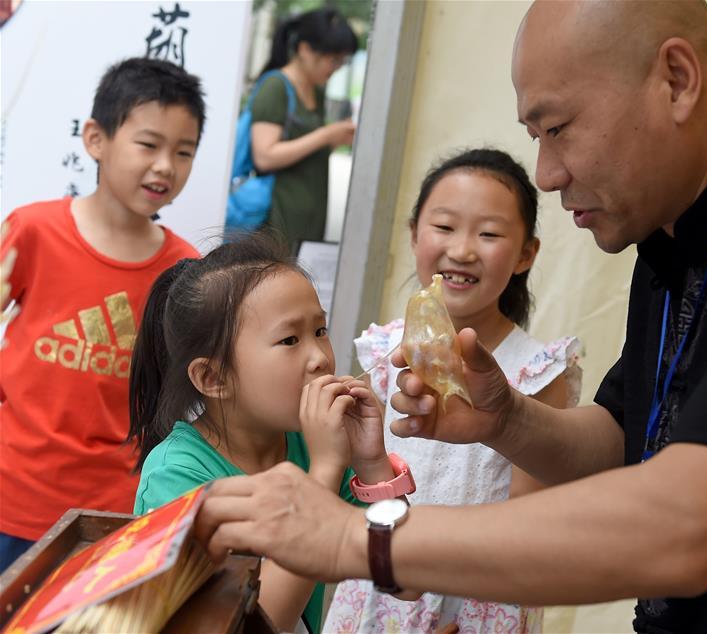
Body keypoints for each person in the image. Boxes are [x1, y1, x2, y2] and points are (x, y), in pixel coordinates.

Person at [194, 2, 707, 633]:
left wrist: (355, 538)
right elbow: (623, 439)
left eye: (557, 128)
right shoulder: (670, 237)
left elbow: (686, 524)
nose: (548, 172)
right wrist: (506, 420)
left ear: (677, 79)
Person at [324, 148, 583, 633]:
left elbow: (529, 525)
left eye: (489, 234)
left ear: (526, 254)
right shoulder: (383, 354)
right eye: (444, 226)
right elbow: (361, 479)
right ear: (414, 234)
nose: (462, 250)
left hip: (480, 604)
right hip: (378, 593)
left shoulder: (537, 372)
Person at [129, 234, 396, 634]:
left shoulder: (315, 445)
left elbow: (402, 578)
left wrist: (372, 462)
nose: (320, 358)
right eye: (289, 340)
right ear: (213, 377)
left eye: (320, 330)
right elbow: (257, 624)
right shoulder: (176, 474)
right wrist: (324, 472)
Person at [0, 57, 204, 573]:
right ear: (96, 139)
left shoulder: (186, 273)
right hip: (11, 497)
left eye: (184, 152)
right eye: (148, 144)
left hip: (112, 514)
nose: (166, 166)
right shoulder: (32, 231)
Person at [250, 8, 358, 255]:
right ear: (305, 49)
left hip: (307, 224)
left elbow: (304, 151)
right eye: (334, 60)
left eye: (342, 61)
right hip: (275, 223)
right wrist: (326, 135)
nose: (337, 68)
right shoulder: (275, 86)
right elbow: (265, 156)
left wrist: (336, 138)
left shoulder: (316, 91)